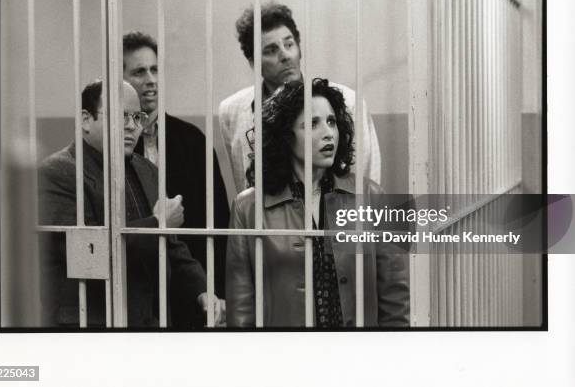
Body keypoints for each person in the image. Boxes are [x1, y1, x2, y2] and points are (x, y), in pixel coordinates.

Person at [39, 80, 224, 327]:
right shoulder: (57, 172)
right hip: (89, 326)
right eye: (121, 116)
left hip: (147, 322)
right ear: (85, 119)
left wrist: (201, 290)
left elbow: (171, 246)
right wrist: (157, 223)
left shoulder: (146, 169)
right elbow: (87, 257)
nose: (131, 126)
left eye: (138, 117)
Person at [226, 78, 409, 328]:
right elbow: (241, 307)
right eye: (313, 124)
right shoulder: (247, 207)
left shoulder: (371, 196)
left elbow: (395, 297)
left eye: (332, 122)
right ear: (286, 136)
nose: (328, 133)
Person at [122, 31, 230, 326]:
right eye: (139, 71)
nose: (151, 79)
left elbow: (218, 222)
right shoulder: (114, 146)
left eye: (155, 69)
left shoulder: (192, 141)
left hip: (193, 292)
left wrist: (214, 289)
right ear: (120, 79)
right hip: (134, 288)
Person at [219, 1, 381, 195]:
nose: (285, 55)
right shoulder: (232, 111)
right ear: (254, 62)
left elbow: (366, 182)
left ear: (299, 48)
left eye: (289, 44)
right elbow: (246, 188)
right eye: (271, 50)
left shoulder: (348, 101)